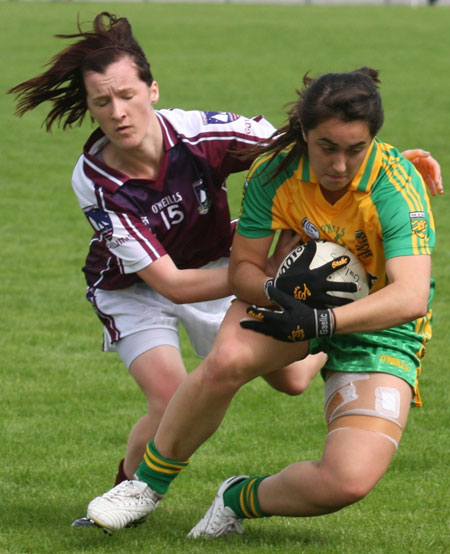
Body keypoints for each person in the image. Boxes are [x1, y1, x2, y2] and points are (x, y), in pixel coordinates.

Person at [9, 14, 441, 534]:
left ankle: (238, 495)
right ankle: (139, 487)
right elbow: (175, 283)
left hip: (329, 306)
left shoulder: (212, 135)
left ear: (153, 89)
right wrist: (276, 287)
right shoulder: (98, 180)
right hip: (141, 287)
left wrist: (393, 162)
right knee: (203, 376)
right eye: (103, 102)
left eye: (127, 95)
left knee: (308, 412)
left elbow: (409, 290)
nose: (119, 112)